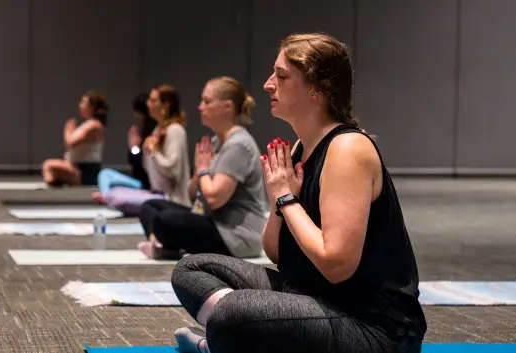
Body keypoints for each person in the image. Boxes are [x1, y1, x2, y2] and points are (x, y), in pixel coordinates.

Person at [169, 33, 427, 353]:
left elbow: (336, 265)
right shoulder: (300, 148)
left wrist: (287, 199)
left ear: (317, 88)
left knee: (233, 313)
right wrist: (279, 200)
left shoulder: (348, 150)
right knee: (191, 269)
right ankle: (233, 339)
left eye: (282, 76)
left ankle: (227, 339)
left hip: (371, 328)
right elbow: (275, 252)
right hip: (311, 299)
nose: (267, 85)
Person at [137, 76, 268, 260]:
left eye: (207, 101)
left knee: (165, 220)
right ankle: (162, 245)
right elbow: (193, 196)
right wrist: (199, 174)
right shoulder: (215, 142)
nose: (200, 107)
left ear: (227, 107)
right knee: (150, 207)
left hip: (236, 237)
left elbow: (215, 198)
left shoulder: (239, 145)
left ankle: (163, 246)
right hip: (212, 221)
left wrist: (204, 169)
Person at [91, 93, 157, 210]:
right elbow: (133, 163)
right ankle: (106, 196)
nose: (135, 116)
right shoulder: (139, 132)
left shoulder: (153, 134)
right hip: (137, 181)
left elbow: (142, 166)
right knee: (105, 174)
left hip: (146, 184)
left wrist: (134, 147)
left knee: (107, 177)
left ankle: (107, 197)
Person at [42, 92, 108, 186]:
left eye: (83, 102)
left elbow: (70, 142)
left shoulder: (94, 125)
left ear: (92, 107)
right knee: (49, 167)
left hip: (85, 171)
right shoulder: (88, 124)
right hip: (76, 167)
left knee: (49, 166)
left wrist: (68, 128)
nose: (80, 105)